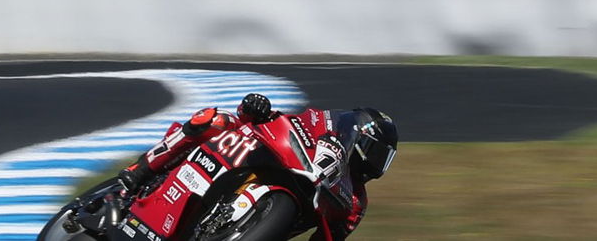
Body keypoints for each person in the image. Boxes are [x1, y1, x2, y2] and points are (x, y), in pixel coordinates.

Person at [79, 93, 397, 239]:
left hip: (273, 224)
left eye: (385, 160)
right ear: (360, 140)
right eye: (378, 153)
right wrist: (254, 108)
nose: (378, 164)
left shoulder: (355, 204)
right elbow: (260, 118)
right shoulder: (318, 129)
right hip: (243, 160)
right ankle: (137, 175)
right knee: (214, 121)